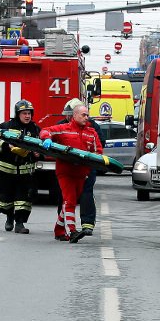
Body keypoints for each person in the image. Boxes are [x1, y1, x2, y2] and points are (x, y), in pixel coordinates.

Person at [40, 103, 102, 243]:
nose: (87, 118)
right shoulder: (63, 129)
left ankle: (59, 230)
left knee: (70, 201)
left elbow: (98, 152)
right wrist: (47, 139)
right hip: (65, 172)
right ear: (74, 115)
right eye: (84, 115)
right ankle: (73, 231)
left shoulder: (91, 133)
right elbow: (45, 130)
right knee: (70, 200)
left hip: (81, 173)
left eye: (87, 115)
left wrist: (93, 162)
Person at [54, 98, 106, 238]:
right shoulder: (62, 126)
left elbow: (100, 147)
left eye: (69, 115)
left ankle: (86, 224)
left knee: (85, 194)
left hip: (86, 168)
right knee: (68, 199)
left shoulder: (92, 128)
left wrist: (91, 157)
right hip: (67, 169)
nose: (67, 118)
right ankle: (70, 230)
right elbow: (49, 135)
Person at [0, 100, 40, 234]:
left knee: (24, 198)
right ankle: (9, 218)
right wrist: (8, 146)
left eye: (29, 113)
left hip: (25, 171)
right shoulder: (6, 126)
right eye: (24, 113)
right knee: (6, 197)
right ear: (17, 114)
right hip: (6, 170)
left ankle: (20, 224)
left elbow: (40, 148)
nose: (27, 116)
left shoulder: (35, 129)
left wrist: (37, 154)